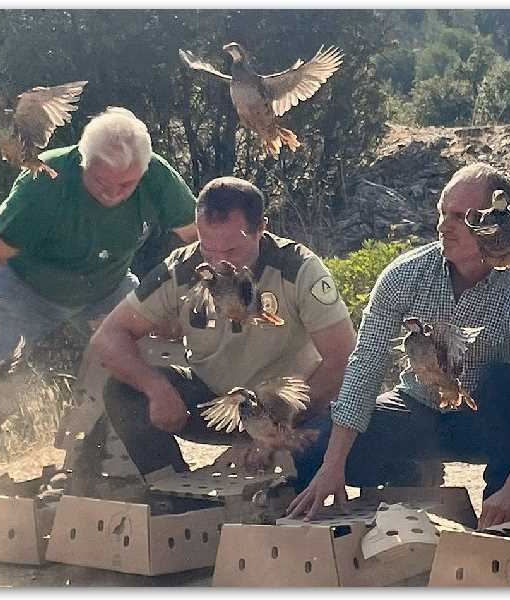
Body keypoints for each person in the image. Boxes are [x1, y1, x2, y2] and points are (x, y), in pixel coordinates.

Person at [287, 163, 510, 529]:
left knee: (507, 384)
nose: (442, 226)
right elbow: (365, 365)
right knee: (313, 452)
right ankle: (412, 473)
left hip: (484, 420)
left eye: (458, 217)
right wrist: (332, 464)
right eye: (441, 213)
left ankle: (499, 514)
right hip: (418, 407)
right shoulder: (406, 275)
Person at [0, 107, 199, 491]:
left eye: (126, 185)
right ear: (82, 161)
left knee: (141, 360)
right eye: (101, 182)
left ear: (143, 171)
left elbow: (202, 241)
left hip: (107, 289)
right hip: (24, 290)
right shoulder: (43, 180)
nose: (113, 194)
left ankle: (129, 470)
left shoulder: (157, 175)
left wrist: (198, 304)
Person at [91, 176, 356, 483]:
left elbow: (342, 358)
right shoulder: (183, 268)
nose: (219, 262)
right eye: (207, 248)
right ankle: (175, 495)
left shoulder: (298, 269)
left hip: (292, 410)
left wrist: (271, 430)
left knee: (315, 459)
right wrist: (156, 388)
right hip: (217, 404)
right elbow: (109, 336)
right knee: (123, 390)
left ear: (261, 229)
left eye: (231, 250)